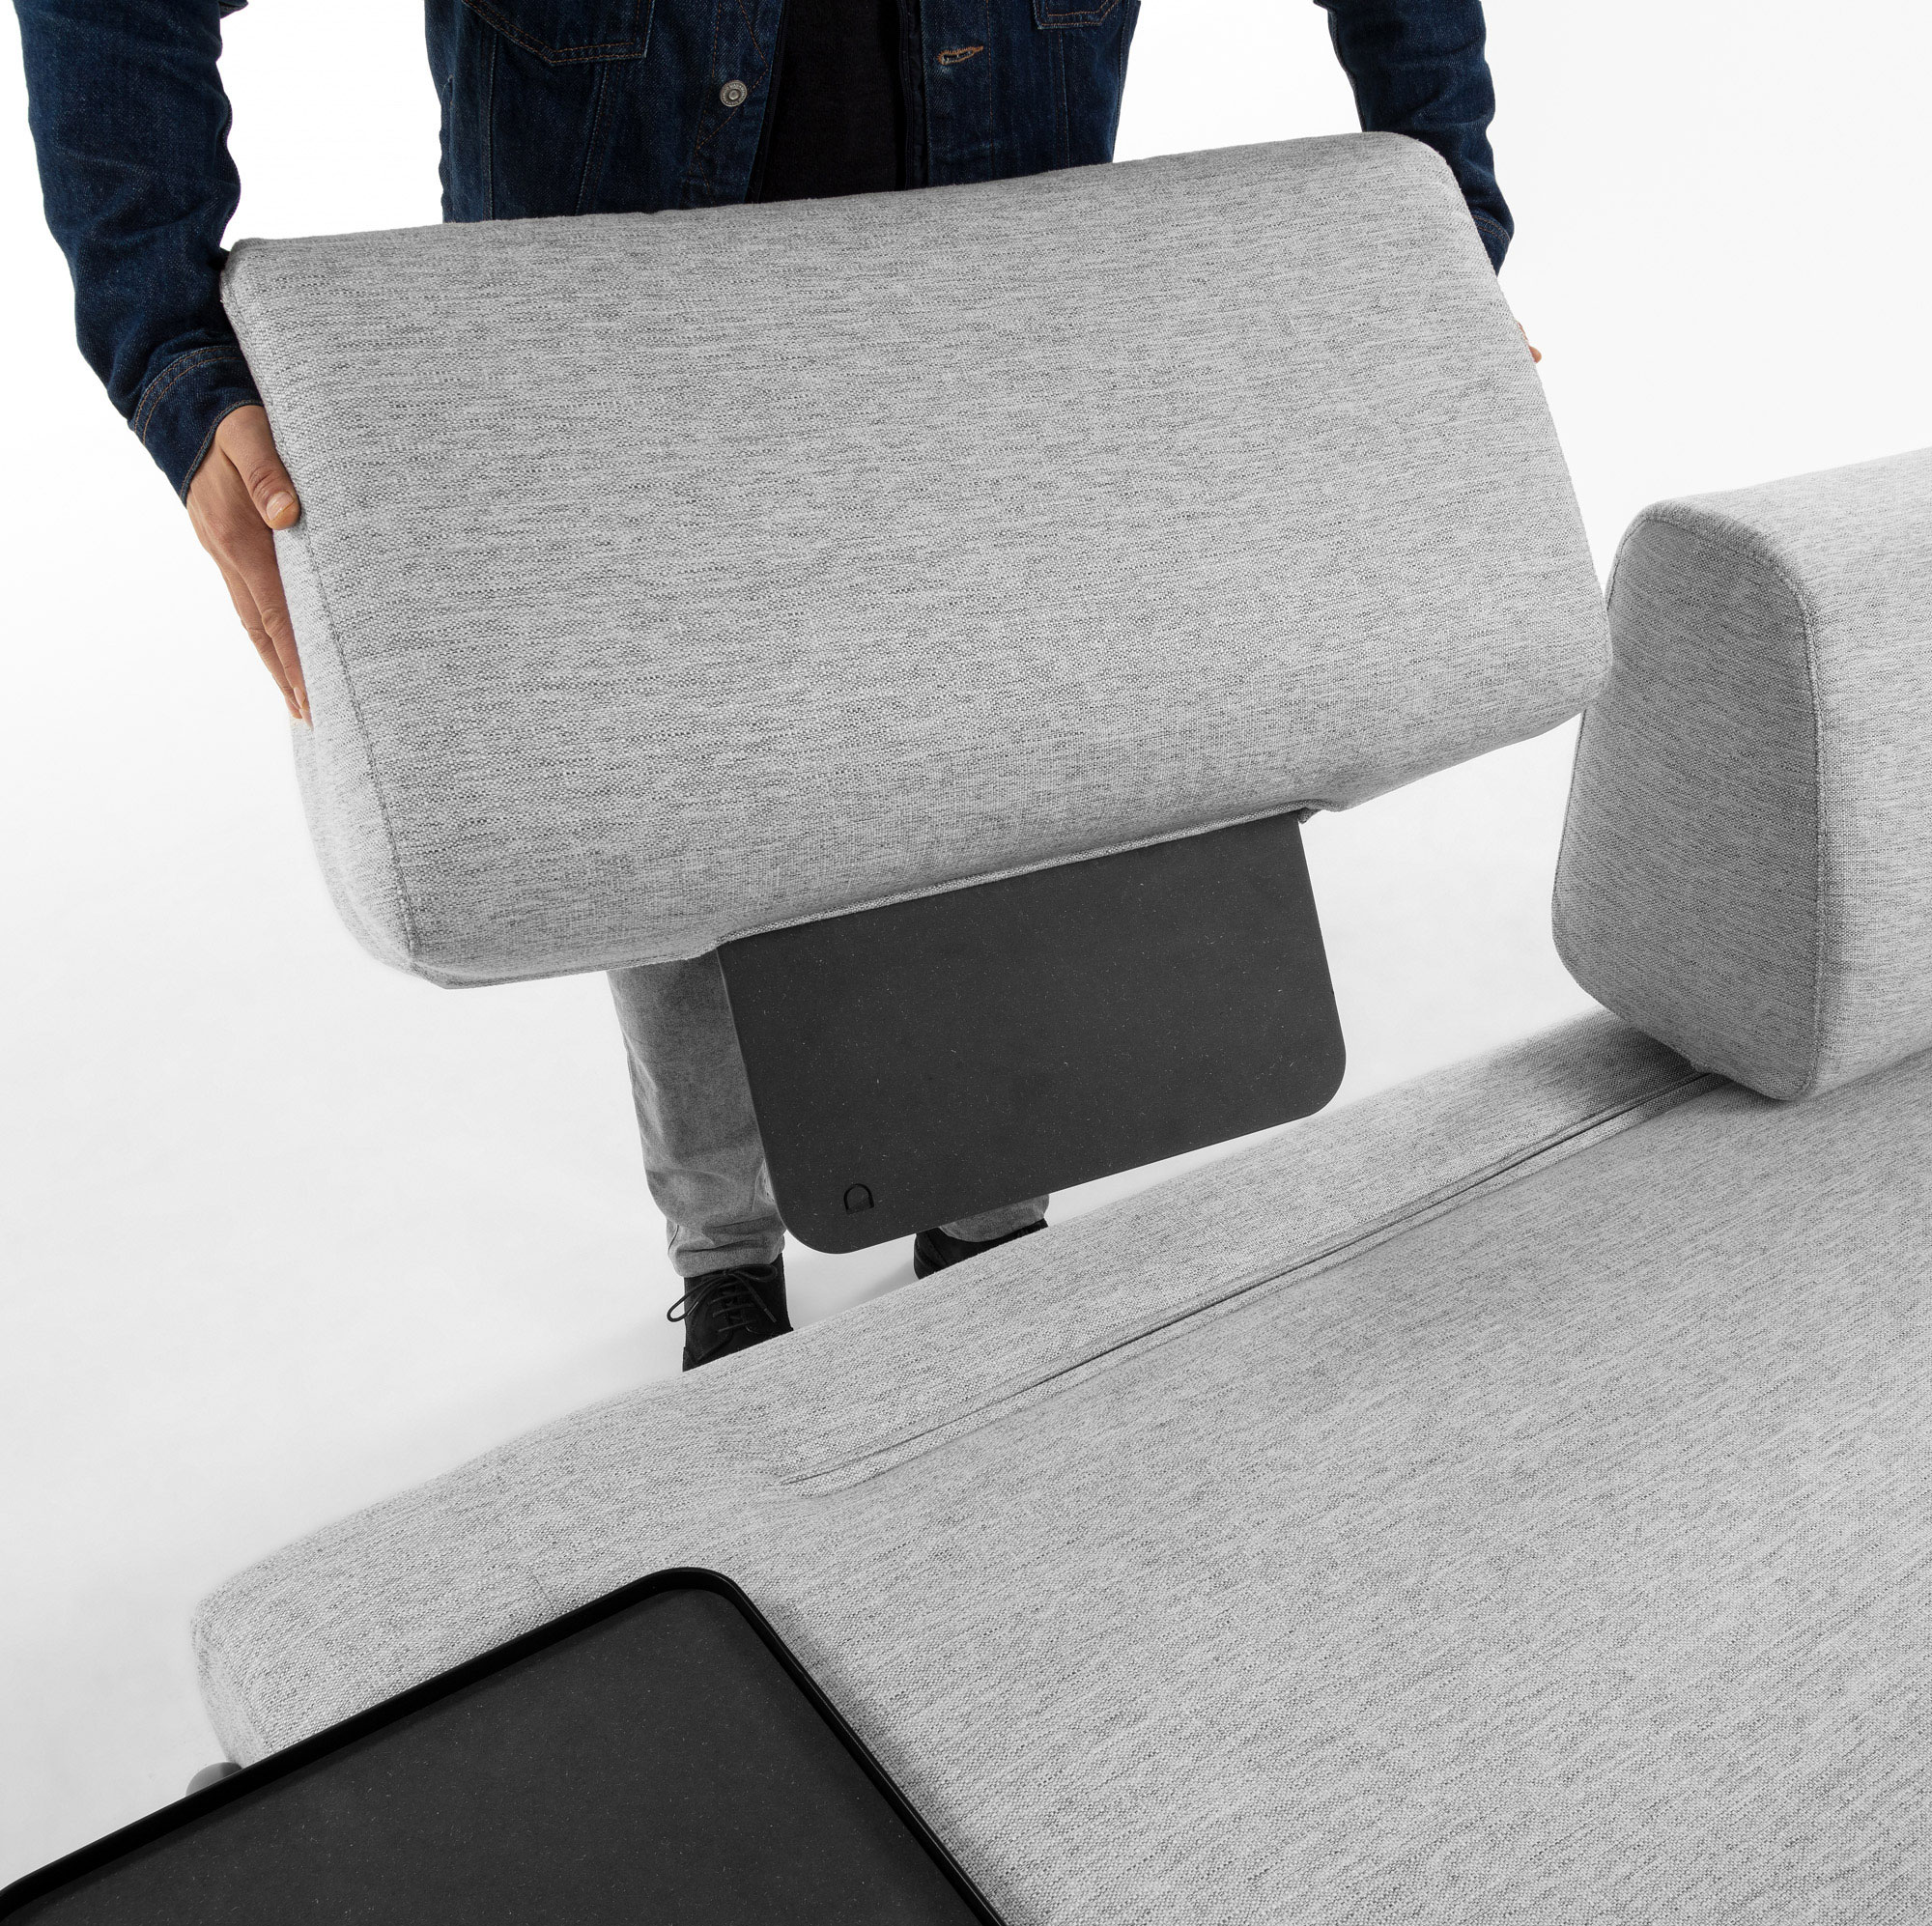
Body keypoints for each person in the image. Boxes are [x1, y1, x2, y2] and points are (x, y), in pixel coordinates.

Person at [15, 0, 1524, 1370]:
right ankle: (726, 1253)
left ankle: (989, 1219)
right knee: (676, 791)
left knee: (1017, 751)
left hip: (991, 278)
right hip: (600, 311)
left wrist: (1438, 241)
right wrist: (176, 357)